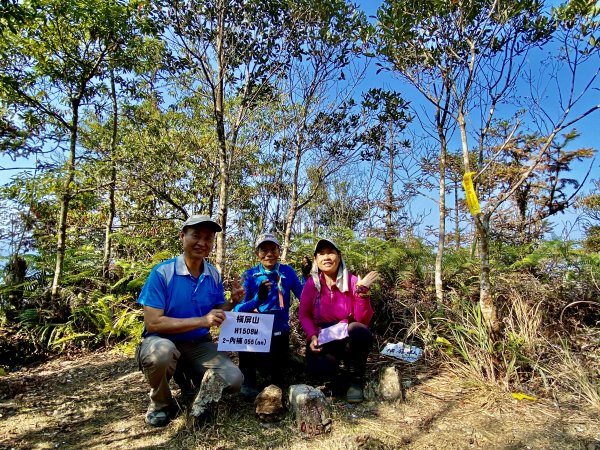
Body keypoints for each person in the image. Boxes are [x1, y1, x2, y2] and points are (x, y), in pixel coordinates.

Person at [136, 215, 245, 427]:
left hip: (198, 344)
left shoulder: (213, 274)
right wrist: (203, 321)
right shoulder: (162, 273)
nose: (202, 243)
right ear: (182, 237)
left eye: (208, 238)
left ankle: (191, 380)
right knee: (162, 355)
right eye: (196, 236)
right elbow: (153, 323)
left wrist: (231, 303)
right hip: (161, 340)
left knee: (234, 380)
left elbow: (214, 311)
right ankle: (160, 403)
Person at [298, 238, 379, 403]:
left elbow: (362, 320)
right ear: (315, 259)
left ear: (339, 256)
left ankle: (356, 380)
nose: (326, 257)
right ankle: (339, 377)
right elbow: (304, 315)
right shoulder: (311, 284)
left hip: (347, 336)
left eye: (330, 253)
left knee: (359, 331)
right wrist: (312, 336)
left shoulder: (353, 281)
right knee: (320, 370)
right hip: (324, 337)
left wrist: (362, 294)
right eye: (321, 254)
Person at [233, 233, 304, 398]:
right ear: (257, 253)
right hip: (256, 329)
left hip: (279, 330)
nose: (269, 254)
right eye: (264, 250)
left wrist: (306, 277)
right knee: (244, 330)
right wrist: (258, 300)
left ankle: (275, 382)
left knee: (274, 375)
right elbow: (238, 309)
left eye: (273, 249)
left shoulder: (287, 272)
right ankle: (248, 382)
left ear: (279, 252)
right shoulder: (250, 275)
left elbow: (304, 297)